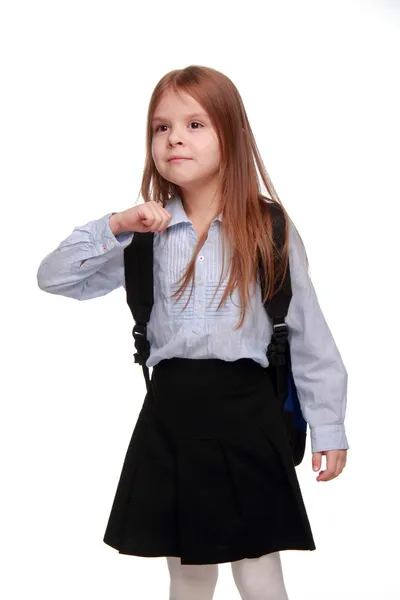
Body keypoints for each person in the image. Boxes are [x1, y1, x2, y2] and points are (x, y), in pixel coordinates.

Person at [37, 65, 349, 600]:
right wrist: (115, 225)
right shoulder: (143, 234)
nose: (174, 137)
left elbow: (308, 335)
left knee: (257, 566)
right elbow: (55, 278)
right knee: (186, 569)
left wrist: (329, 426)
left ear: (233, 134)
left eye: (195, 124)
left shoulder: (267, 228)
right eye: (162, 127)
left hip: (250, 412)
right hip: (172, 411)